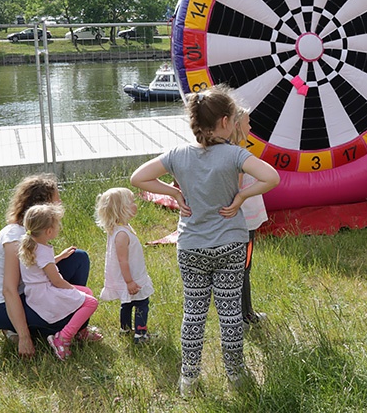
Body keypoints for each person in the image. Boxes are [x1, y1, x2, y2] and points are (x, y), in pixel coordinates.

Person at [130, 84, 280, 396]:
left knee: (193, 314)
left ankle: (189, 378)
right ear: (226, 121)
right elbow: (271, 178)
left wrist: (173, 192)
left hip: (191, 248)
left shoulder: (178, 155)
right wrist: (241, 197)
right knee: (229, 314)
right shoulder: (236, 154)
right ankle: (236, 374)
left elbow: (138, 177)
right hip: (230, 246)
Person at [0, 173, 94, 357]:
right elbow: (9, 290)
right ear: (42, 205)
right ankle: (17, 330)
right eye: (57, 200)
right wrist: (25, 337)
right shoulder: (14, 237)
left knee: (78, 259)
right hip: (1, 306)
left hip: (29, 291)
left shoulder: (33, 232)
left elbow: (32, 268)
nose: (60, 203)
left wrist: (56, 258)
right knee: (72, 316)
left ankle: (71, 328)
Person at [19, 204, 99, 361]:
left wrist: (59, 258)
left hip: (38, 291)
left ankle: (79, 331)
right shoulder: (41, 250)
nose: (59, 228)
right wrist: (71, 290)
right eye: (57, 225)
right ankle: (62, 338)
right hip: (45, 294)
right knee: (91, 302)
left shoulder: (33, 245)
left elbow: (42, 267)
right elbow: (56, 280)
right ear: (49, 231)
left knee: (87, 292)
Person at [95, 187, 154, 344]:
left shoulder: (121, 229)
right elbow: (122, 260)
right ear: (121, 209)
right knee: (141, 303)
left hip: (132, 275)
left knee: (127, 303)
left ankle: (126, 329)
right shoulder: (121, 234)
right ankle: (140, 334)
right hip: (132, 277)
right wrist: (129, 281)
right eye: (132, 202)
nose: (136, 205)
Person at [231, 107, 269, 328]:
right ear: (237, 126)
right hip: (244, 222)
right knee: (242, 269)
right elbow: (234, 188)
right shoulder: (238, 155)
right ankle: (244, 317)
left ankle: (246, 313)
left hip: (243, 221)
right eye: (248, 122)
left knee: (242, 268)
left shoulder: (234, 151)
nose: (251, 127)